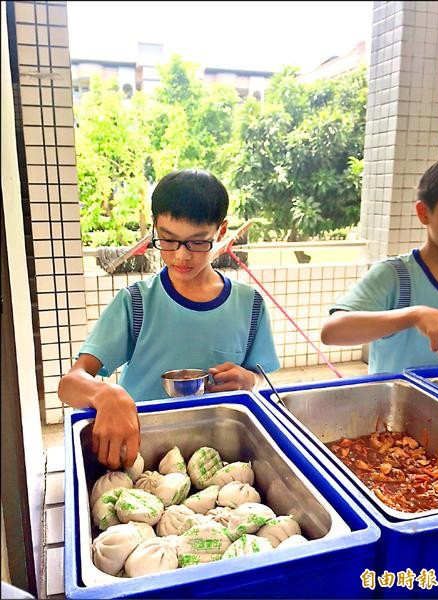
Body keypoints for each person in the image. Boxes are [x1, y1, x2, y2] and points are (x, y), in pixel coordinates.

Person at [58, 169, 280, 469]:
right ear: (155, 229)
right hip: (141, 457)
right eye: (168, 240)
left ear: (221, 232)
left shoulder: (249, 306)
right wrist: (103, 393)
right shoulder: (136, 303)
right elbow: (71, 383)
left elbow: (265, 383)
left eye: (198, 242)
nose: (180, 256)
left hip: (219, 459)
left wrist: (249, 380)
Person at [320, 157, 438, 374]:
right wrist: (415, 315)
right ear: (424, 213)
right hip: (401, 406)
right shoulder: (396, 276)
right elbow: (332, 331)